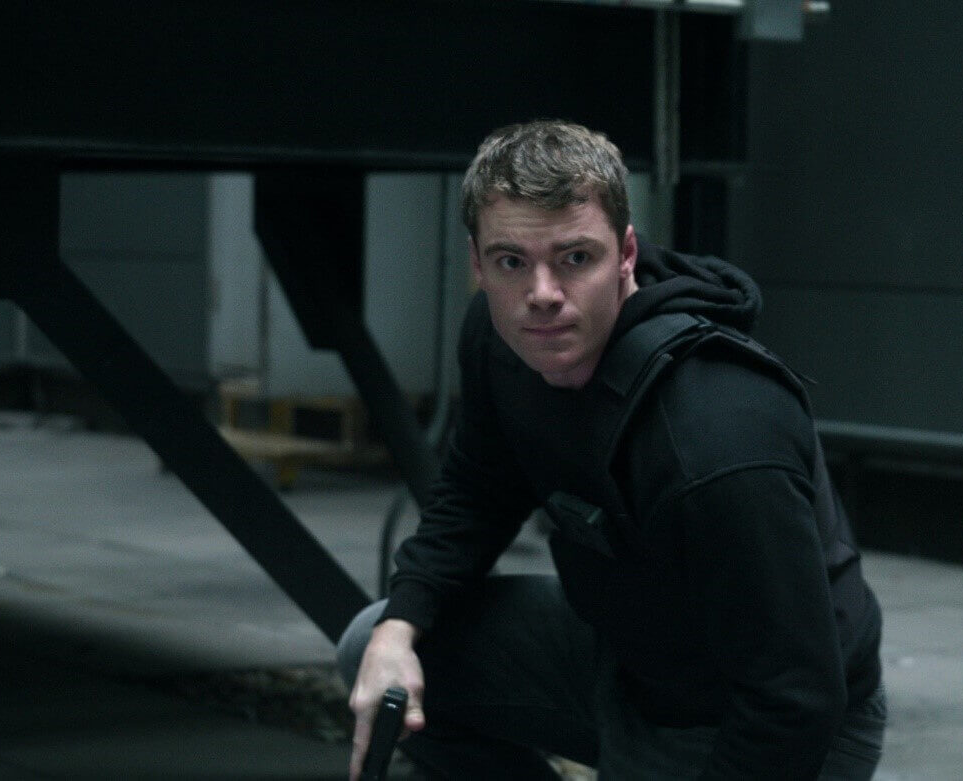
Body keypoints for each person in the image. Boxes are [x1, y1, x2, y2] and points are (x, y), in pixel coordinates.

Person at [337, 120, 884, 780]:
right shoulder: (501, 339)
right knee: (373, 646)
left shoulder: (716, 432)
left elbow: (796, 695)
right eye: (512, 262)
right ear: (478, 265)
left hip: (772, 718)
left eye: (575, 258)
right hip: (629, 656)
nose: (542, 295)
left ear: (625, 253)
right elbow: (477, 493)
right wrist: (400, 628)